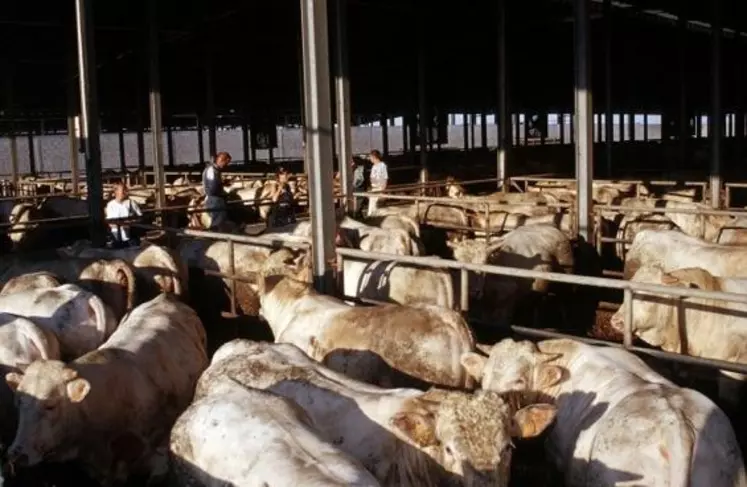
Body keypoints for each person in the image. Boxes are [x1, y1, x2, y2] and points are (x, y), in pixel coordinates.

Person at [105, 182, 142, 248]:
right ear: (116, 192)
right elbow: (110, 222)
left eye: (126, 190)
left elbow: (140, 217)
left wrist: (132, 222)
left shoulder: (131, 203)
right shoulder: (111, 205)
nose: (125, 192)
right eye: (123, 190)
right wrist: (121, 224)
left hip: (131, 236)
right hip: (116, 235)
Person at [202, 151, 231, 230]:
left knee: (220, 219)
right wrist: (221, 185)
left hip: (216, 198)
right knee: (216, 220)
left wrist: (222, 183)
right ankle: (215, 236)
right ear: (221, 160)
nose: (226, 165)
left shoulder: (215, 170)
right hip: (214, 199)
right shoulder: (212, 170)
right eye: (226, 163)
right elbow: (212, 188)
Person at [367, 149, 388, 217]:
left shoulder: (382, 165)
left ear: (374, 157)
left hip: (379, 188)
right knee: (371, 208)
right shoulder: (373, 166)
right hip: (374, 188)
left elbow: (385, 178)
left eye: (370, 157)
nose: (370, 159)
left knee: (377, 207)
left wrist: (383, 191)